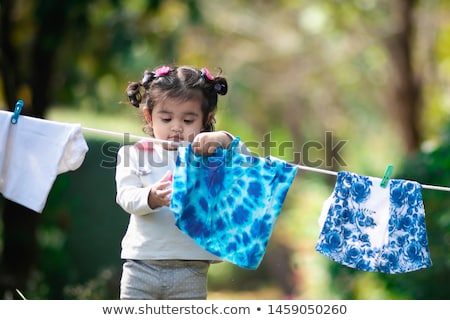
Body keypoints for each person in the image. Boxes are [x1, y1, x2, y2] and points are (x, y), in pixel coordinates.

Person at [115, 65, 241, 300]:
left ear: (205, 120)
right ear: (149, 116)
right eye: (166, 118)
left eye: (188, 119)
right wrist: (150, 197)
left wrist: (225, 139)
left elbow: (249, 166)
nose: (176, 127)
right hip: (141, 265)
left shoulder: (208, 156)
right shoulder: (133, 154)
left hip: (192, 268)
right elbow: (125, 196)